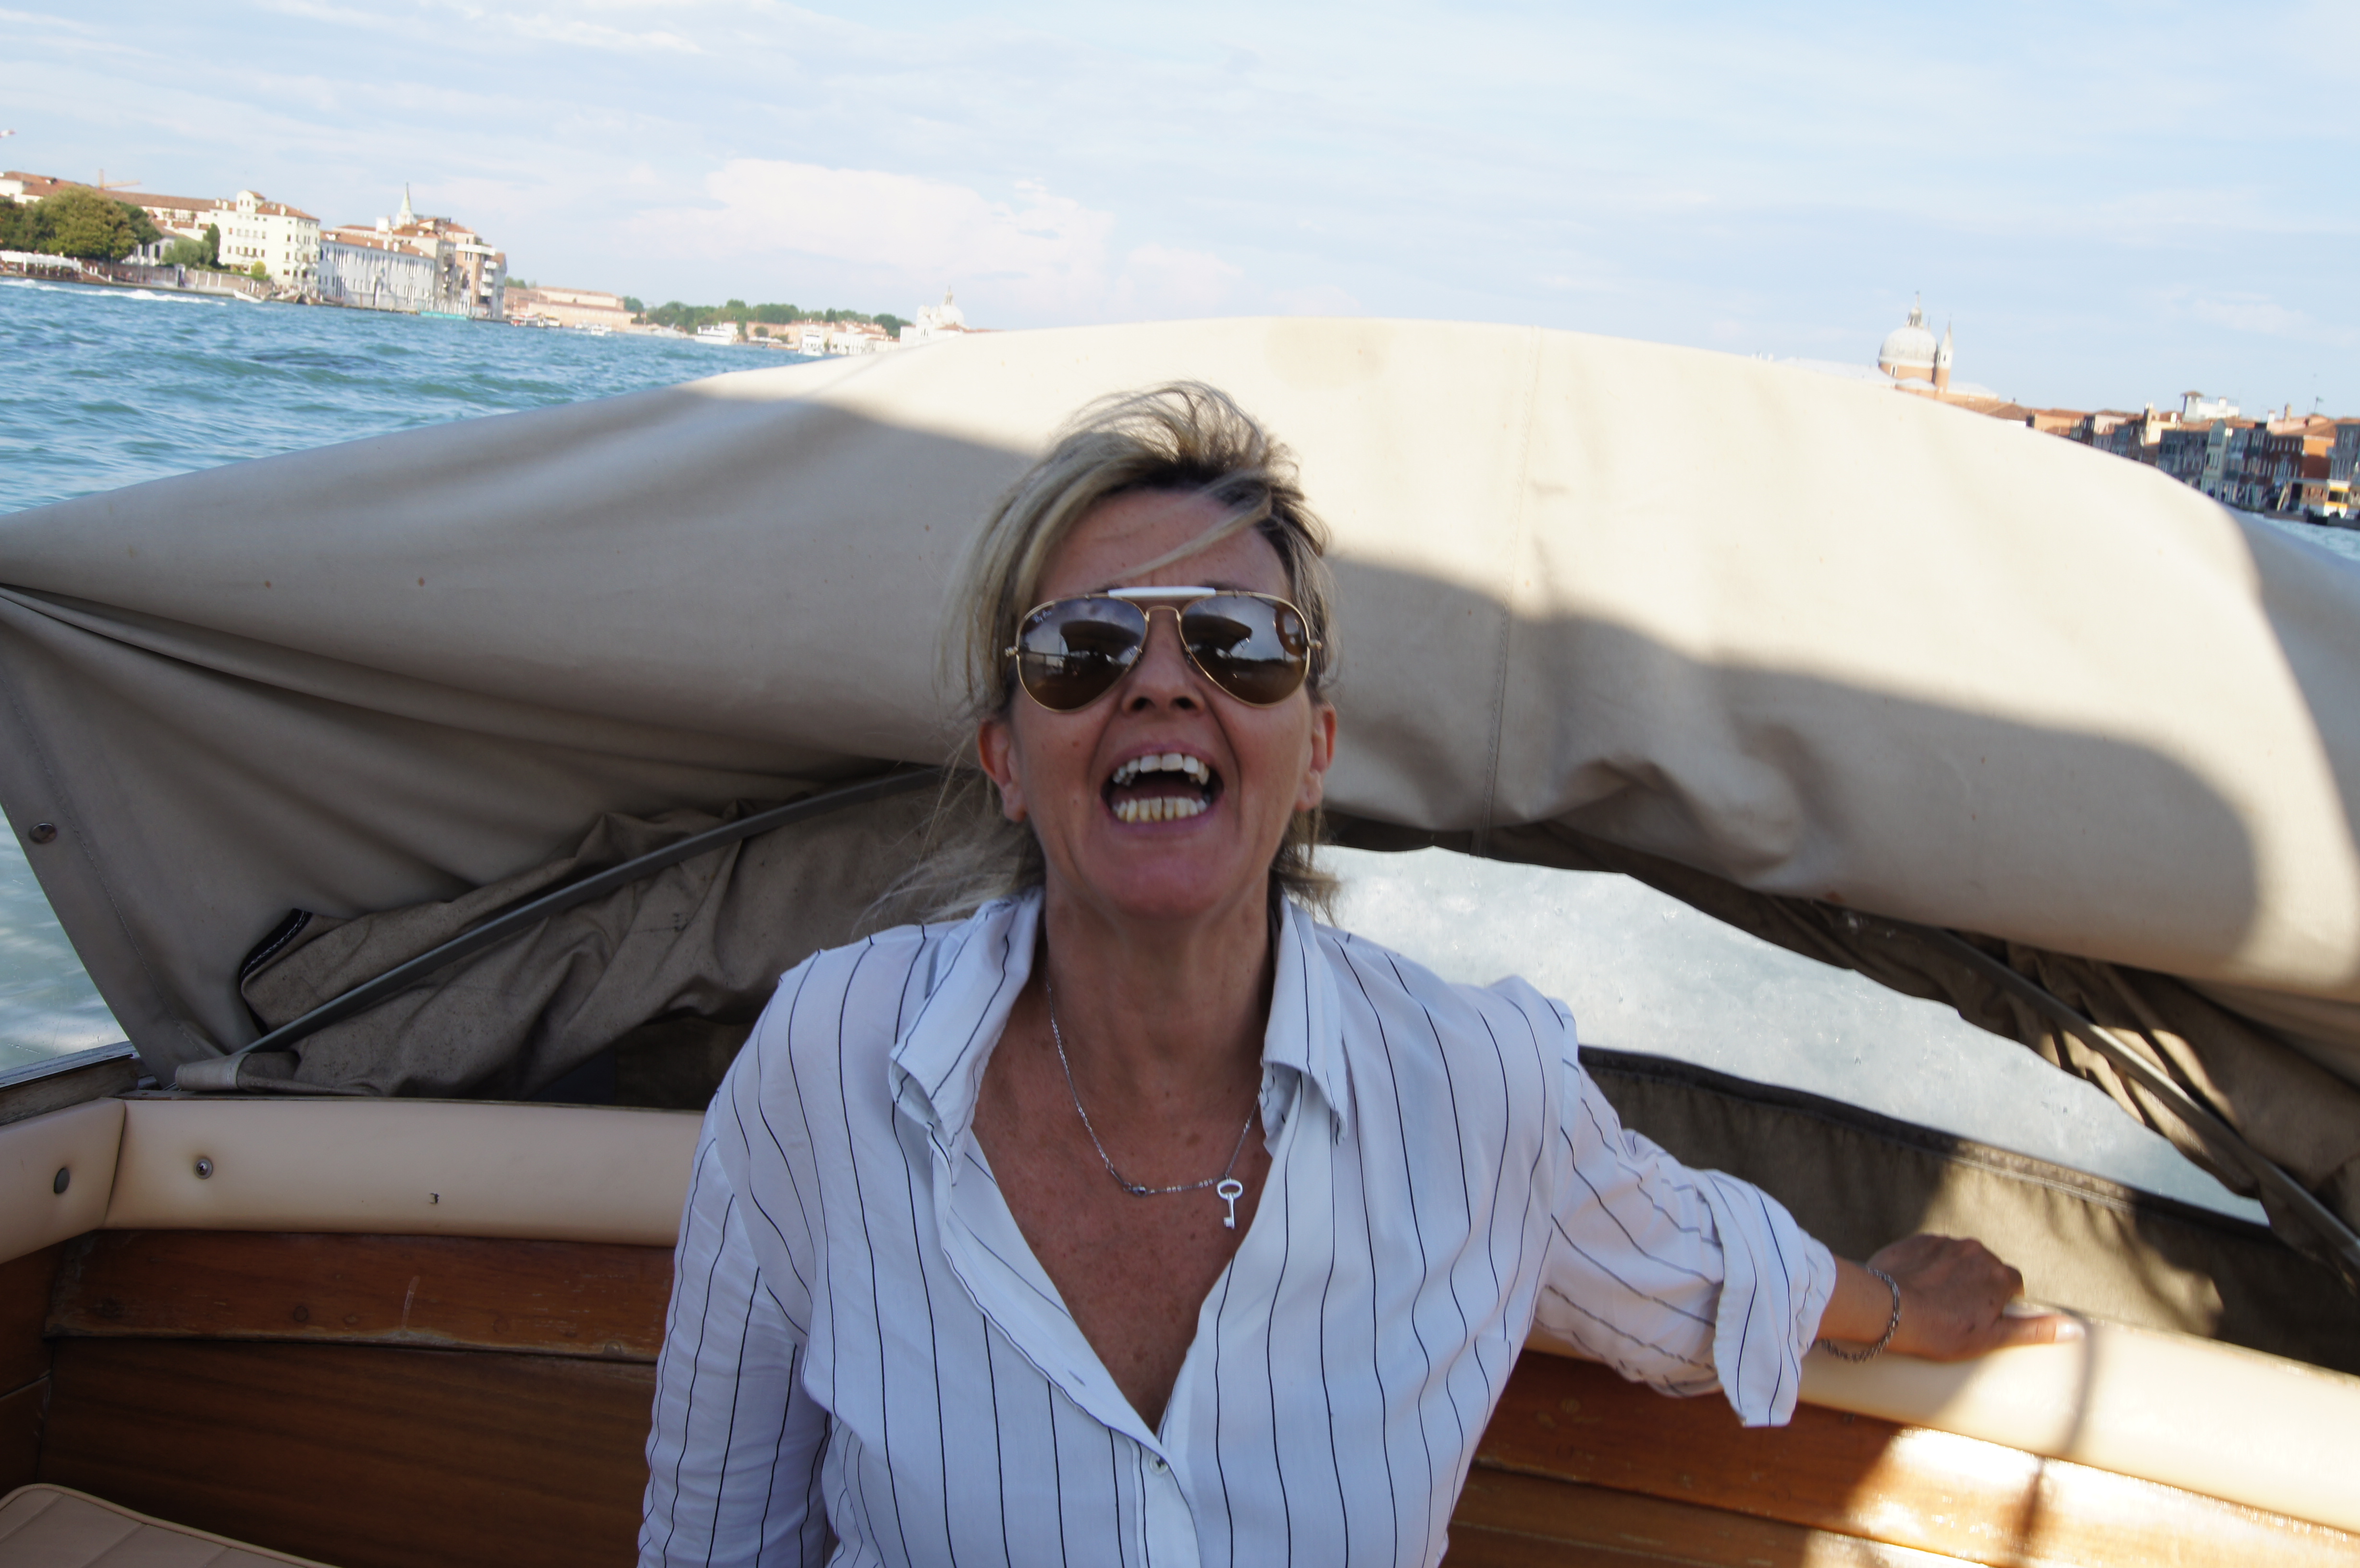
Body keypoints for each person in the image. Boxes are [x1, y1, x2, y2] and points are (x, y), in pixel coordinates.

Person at [640, 383, 2069, 1568]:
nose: (1161, 682)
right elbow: (711, 1545)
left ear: (1313, 750)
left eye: (1239, 643)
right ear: (1006, 759)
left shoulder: (1476, 1090)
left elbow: (1682, 1257)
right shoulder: (828, 1060)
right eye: (1082, 646)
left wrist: (1888, 1305)